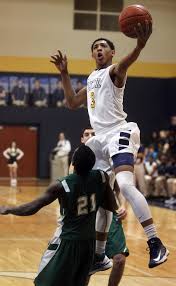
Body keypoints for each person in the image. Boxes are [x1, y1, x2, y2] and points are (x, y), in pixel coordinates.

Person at [50, 20, 169, 268]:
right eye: (95, 47)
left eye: (103, 46)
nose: (99, 49)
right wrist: (64, 73)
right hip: (100, 139)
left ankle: (155, 242)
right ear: (92, 54)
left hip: (119, 132)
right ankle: (98, 255)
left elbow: (127, 62)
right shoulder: (92, 78)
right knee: (101, 194)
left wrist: (140, 45)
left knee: (125, 186)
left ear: (112, 52)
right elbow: (72, 102)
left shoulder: (114, 71)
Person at [0, 145, 117, 286]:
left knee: (43, 281)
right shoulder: (101, 177)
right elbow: (111, 206)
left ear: (73, 163)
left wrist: (9, 209)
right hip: (88, 243)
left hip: (66, 242)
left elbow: (33, 207)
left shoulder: (62, 185)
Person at [80, 128, 129, 286]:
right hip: (89, 213)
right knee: (87, 263)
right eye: (87, 134)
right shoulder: (79, 159)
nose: (91, 136)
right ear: (82, 139)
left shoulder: (110, 156)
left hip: (110, 212)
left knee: (120, 259)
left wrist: (122, 205)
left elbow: (119, 188)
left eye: (93, 134)